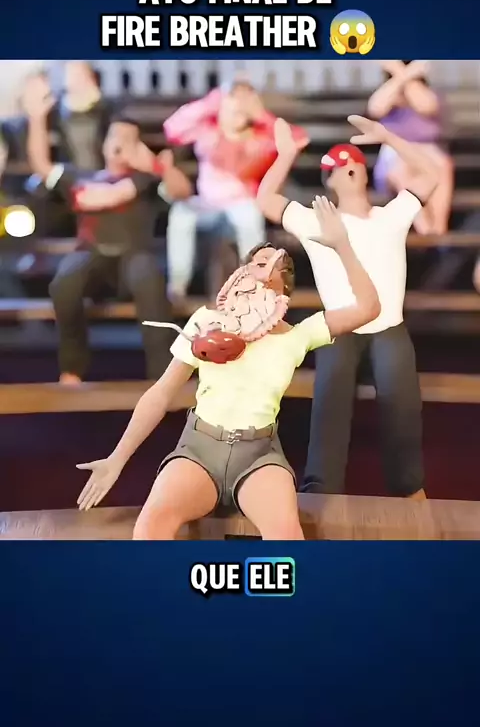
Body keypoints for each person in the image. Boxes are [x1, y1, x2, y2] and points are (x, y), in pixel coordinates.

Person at [75, 199, 380, 540]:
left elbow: (368, 308)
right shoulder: (208, 322)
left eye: (267, 264)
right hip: (198, 450)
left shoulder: (298, 335)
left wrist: (342, 245)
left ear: (284, 284)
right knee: (151, 525)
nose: (255, 271)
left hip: (258, 456)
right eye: (252, 263)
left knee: (285, 534)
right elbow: (161, 392)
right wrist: (117, 458)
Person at [257, 116, 441, 500]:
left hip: (388, 325)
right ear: (329, 181)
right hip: (339, 326)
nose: (348, 167)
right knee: (329, 405)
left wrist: (388, 136)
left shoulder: (390, 215)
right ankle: (321, 489)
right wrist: (286, 154)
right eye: (339, 166)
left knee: (403, 405)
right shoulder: (316, 221)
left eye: (354, 163)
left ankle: (409, 488)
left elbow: (430, 174)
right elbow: (266, 199)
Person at [24, 75, 192, 385]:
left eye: (129, 139)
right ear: (103, 144)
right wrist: (36, 119)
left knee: (149, 279)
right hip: (91, 255)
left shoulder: (145, 179)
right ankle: (72, 369)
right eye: (115, 137)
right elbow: (42, 166)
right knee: (63, 284)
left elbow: (183, 192)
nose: (120, 144)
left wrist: (158, 165)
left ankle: (163, 377)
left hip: (134, 257)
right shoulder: (81, 177)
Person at [163, 78, 309, 301]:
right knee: (181, 214)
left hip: (243, 205)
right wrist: (212, 101)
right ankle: (177, 286)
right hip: (207, 207)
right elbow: (172, 128)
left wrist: (261, 115)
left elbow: (299, 140)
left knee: (249, 216)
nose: (239, 105)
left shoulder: (261, 136)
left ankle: (255, 285)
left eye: (246, 99)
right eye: (234, 98)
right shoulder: (207, 129)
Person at [368, 60, 453, 235]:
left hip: (427, 151)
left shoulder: (427, 93)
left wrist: (400, 71)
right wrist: (404, 73)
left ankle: (439, 228)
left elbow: (426, 106)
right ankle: (425, 229)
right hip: (395, 152)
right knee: (403, 169)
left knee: (443, 164)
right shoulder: (388, 91)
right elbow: (376, 109)